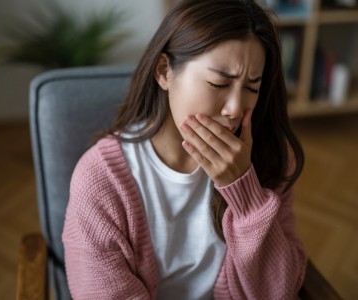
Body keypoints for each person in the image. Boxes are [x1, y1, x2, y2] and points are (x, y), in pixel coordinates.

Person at [62, 0, 307, 299]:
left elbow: (279, 292)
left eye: (251, 88)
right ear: (164, 71)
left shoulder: (270, 156)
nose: (234, 109)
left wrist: (247, 196)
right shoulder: (100, 181)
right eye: (219, 83)